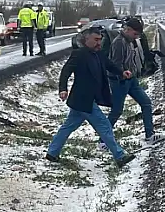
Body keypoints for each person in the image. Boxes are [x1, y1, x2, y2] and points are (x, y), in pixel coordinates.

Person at [46, 28, 135, 166]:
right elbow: (66, 70)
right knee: (104, 126)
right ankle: (120, 156)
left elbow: (109, 65)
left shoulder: (98, 54)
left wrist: (122, 72)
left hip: (85, 100)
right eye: (96, 40)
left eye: (100, 39)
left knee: (68, 126)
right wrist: (63, 89)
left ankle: (52, 153)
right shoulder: (79, 54)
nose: (99, 42)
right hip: (83, 99)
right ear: (86, 39)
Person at [107, 18, 155, 140]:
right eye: (135, 34)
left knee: (146, 103)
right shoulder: (119, 42)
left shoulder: (130, 41)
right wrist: (123, 73)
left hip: (131, 80)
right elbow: (115, 64)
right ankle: (103, 140)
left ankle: (150, 135)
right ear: (127, 30)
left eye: (138, 35)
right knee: (116, 111)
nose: (136, 37)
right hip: (119, 82)